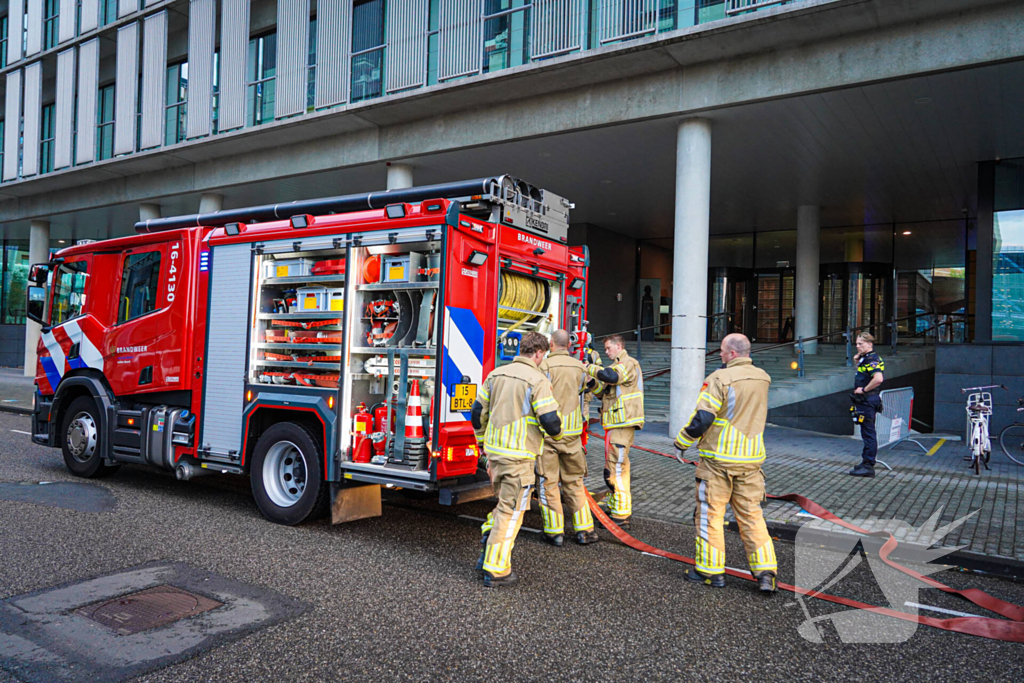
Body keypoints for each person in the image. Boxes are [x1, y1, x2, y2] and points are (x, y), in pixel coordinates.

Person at [675, 333, 777, 593]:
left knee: (710, 516)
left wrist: (681, 442)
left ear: (732, 353)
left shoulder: (719, 378)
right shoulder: (763, 377)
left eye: (721, 350)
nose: (719, 354)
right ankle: (766, 573)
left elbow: (703, 418)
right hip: (751, 461)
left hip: (718, 462)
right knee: (752, 517)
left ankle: (710, 572)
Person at [472, 331, 562, 588]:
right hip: (519, 458)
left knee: (503, 504)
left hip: (495, 456)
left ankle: (489, 541)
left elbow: (477, 413)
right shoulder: (537, 379)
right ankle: (496, 569)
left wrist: (483, 443)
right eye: (543, 355)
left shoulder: (495, 374)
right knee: (511, 512)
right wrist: (558, 435)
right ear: (538, 353)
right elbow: (550, 420)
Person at [538, 330, 600, 547]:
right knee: (575, 482)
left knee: (548, 483)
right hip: (573, 437)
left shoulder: (544, 367)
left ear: (551, 344)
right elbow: (589, 387)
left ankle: (554, 533)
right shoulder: (580, 367)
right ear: (569, 345)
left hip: (548, 436)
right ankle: (585, 530)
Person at [587, 334, 644, 530]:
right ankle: (615, 508)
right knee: (613, 469)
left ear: (619, 346)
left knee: (616, 470)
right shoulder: (616, 367)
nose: (606, 352)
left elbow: (611, 377)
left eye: (609, 348)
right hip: (615, 424)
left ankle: (620, 515)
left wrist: (589, 367)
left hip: (622, 424)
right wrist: (591, 383)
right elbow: (603, 393)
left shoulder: (628, 363)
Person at [849, 332, 885, 478]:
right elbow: (864, 375)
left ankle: (869, 465)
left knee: (869, 433)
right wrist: (857, 362)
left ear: (870, 344)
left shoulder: (871, 359)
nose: (857, 346)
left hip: (867, 400)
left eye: (861, 344)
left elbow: (878, 378)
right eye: (856, 344)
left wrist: (864, 390)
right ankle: (865, 462)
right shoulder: (866, 358)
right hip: (866, 400)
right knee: (866, 432)